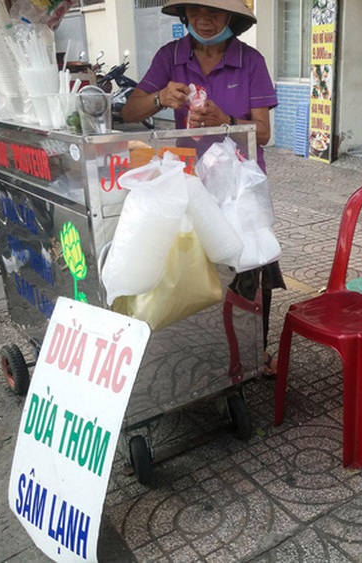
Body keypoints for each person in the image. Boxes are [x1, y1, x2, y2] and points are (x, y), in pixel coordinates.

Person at [122, 0, 285, 375]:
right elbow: (131, 111)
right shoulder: (171, 57)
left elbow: (262, 133)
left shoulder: (251, 61)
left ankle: (255, 351)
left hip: (240, 185)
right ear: (185, 17)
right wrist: (160, 97)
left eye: (214, 13)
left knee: (252, 265)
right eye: (196, 13)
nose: (204, 21)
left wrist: (224, 120)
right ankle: (207, 348)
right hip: (189, 181)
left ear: (232, 19)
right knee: (196, 265)